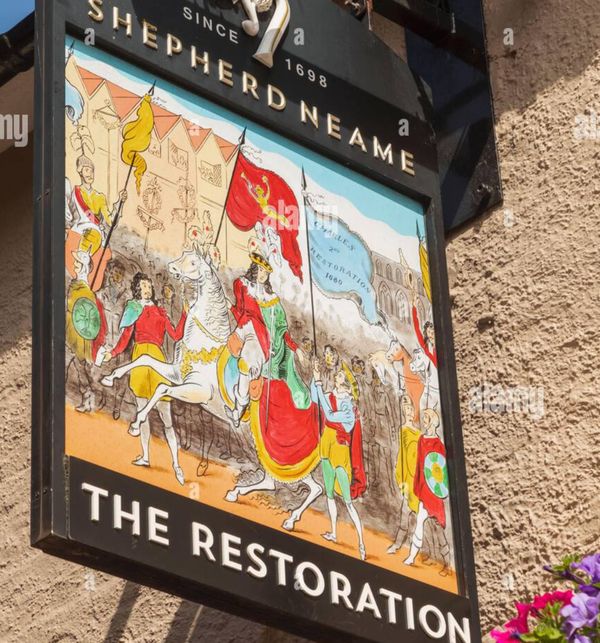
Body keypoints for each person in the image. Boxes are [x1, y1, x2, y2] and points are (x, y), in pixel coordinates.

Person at [102, 273, 187, 485]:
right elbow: (125, 339)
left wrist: (185, 313)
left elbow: (176, 335)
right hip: (139, 357)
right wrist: (112, 353)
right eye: (144, 286)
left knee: (166, 415)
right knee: (143, 410)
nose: (147, 289)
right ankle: (146, 456)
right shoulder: (133, 308)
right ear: (137, 289)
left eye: (149, 286)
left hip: (157, 359)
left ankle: (176, 463)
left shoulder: (160, 311)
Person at [225, 251, 308, 426]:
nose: (263, 274)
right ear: (254, 268)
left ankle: (238, 410)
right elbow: (240, 311)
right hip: (242, 329)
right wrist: (231, 308)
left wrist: (296, 349)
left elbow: (282, 329)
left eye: (266, 272)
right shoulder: (242, 285)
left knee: (246, 365)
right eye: (260, 270)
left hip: (259, 338)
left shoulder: (272, 300)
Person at [312, 359, 367, 561]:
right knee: (329, 494)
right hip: (326, 445)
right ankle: (334, 532)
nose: (338, 376)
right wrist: (315, 377)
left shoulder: (349, 410)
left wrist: (319, 385)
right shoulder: (330, 396)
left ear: (347, 387)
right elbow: (315, 398)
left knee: (347, 501)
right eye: (338, 375)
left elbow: (329, 414)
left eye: (341, 377)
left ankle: (361, 543)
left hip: (339, 452)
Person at [66, 155, 128, 290]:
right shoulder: (75, 192)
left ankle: (84, 263)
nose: (90, 174)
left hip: (94, 231)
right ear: (80, 171)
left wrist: (120, 203)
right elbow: (69, 212)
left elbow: (110, 222)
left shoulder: (100, 197)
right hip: (78, 229)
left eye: (92, 170)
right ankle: (81, 263)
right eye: (87, 170)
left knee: (94, 233)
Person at [404, 408, 449, 570]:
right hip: (424, 487)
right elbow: (420, 465)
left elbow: (441, 469)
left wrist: (437, 489)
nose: (423, 421)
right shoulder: (421, 440)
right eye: (423, 418)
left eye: (426, 419)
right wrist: (417, 485)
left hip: (434, 490)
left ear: (433, 422)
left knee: (437, 526)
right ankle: (411, 556)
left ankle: (447, 561)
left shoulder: (439, 445)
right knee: (421, 520)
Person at [387, 395, 422, 554]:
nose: (409, 412)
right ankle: (397, 544)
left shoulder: (419, 433)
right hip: (408, 476)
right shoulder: (403, 430)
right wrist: (400, 476)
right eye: (406, 409)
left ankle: (418, 550)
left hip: (418, 476)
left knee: (421, 515)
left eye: (411, 409)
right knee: (405, 512)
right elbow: (402, 454)